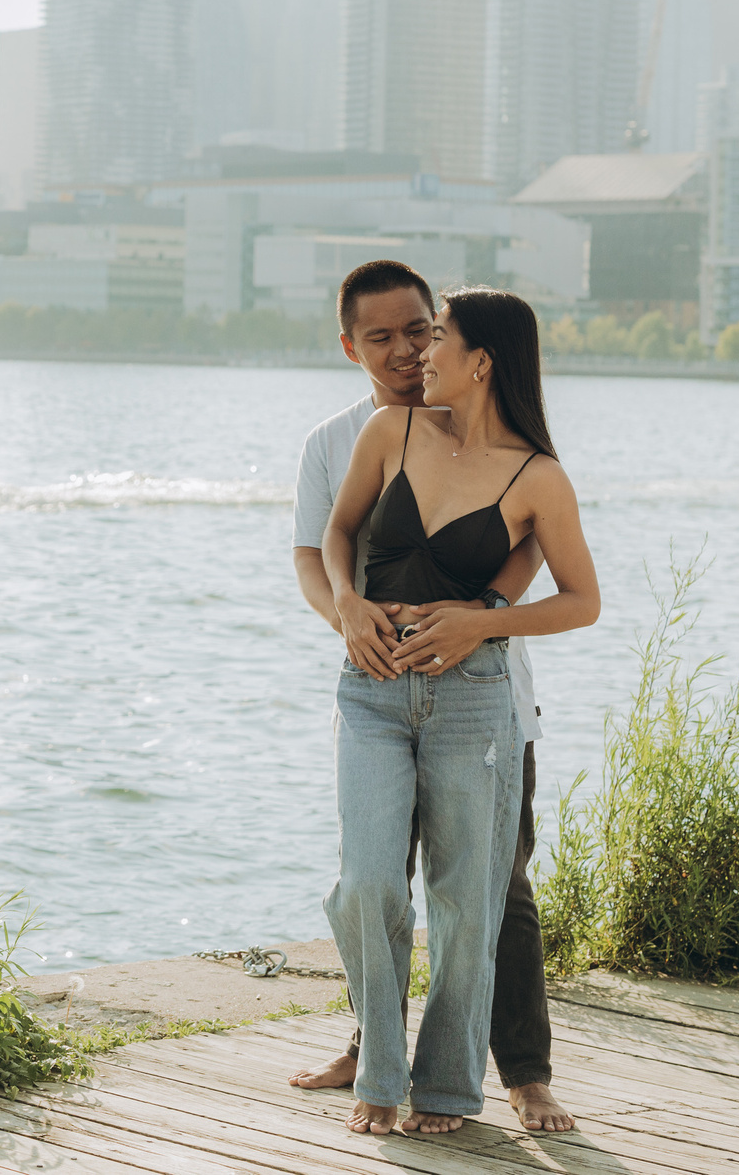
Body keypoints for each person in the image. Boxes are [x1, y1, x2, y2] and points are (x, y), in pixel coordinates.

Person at [284, 261, 577, 1133]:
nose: (411, 348)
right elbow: (316, 550)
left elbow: (529, 551)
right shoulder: (343, 439)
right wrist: (346, 612)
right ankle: (373, 1049)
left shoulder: (503, 437)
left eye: (424, 328)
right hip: (376, 680)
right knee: (370, 880)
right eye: (386, 337)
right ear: (351, 346)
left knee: (493, 890)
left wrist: (484, 617)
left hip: (486, 693)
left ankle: (521, 1073)